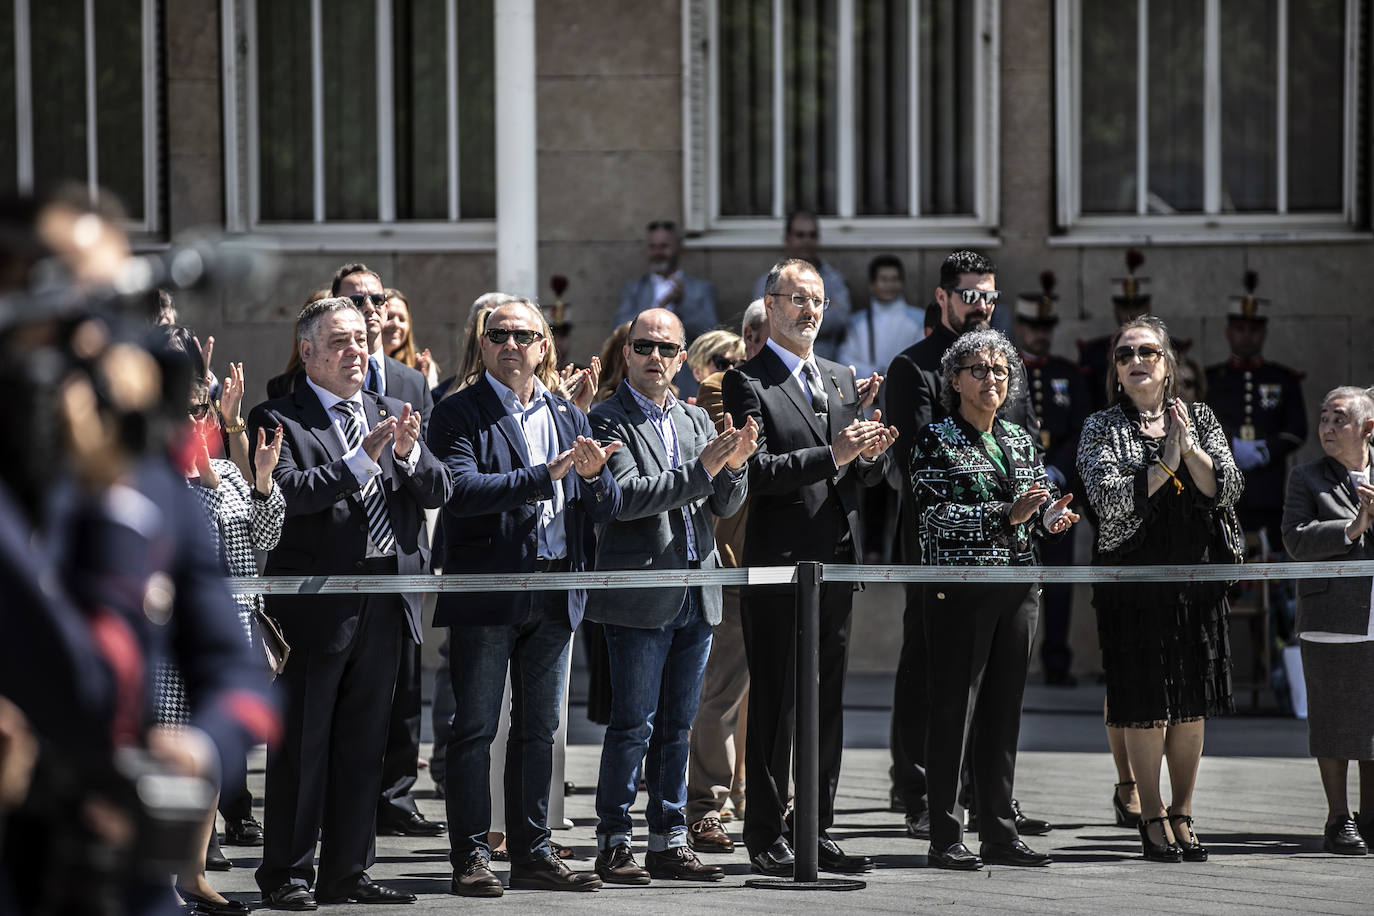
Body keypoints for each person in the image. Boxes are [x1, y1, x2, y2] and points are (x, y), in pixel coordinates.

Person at [249, 297, 451, 909]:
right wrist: (361, 458)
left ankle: (349, 871)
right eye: (338, 341)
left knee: (366, 745)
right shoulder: (278, 415)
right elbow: (289, 494)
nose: (355, 351)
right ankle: (286, 872)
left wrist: (410, 454)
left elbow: (440, 487)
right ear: (306, 351)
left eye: (361, 339)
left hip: (385, 602)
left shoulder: (393, 410)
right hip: (316, 607)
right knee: (303, 746)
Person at [427, 298, 621, 897]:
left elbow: (606, 505)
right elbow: (460, 490)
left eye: (524, 334)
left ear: (545, 347)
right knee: (475, 729)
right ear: (482, 346)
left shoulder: (568, 413)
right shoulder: (457, 412)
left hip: (557, 587)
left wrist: (592, 476)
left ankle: (533, 851)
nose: (512, 343)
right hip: (491, 590)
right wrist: (545, 476)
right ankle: (471, 855)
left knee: (540, 730)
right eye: (499, 334)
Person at [722, 258, 895, 877]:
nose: (810, 310)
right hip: (781, 564)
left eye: (817, 299)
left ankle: (816, 827)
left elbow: (858, 477)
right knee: (775, 701)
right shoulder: (747, 381)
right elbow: (757, 473)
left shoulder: (842, 377)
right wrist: (835, 452)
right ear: (770, 306)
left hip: (837, 561)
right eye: (797, 298)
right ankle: (766, 832)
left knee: (828, 700)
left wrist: (870, 450)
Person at [586, 307, 753, 884]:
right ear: (626, 353)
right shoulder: (607, 418)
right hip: (640, 593)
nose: (654, 357)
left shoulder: (693, 418)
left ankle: (669, 837)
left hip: (697, 590)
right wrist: (707, 471)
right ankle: (612, 839)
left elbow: (724, 505)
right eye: (643, 347)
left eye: (666, 349)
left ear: (683, 359)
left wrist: (734, 467)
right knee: (633, 722)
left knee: (679, 725)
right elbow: (626, 497)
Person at [882, 250, 1045, 839]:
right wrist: (997, 511)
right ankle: (922, 791)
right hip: (939, 554)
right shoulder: (914, 367)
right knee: (933, 675)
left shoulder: (1004, 361)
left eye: (989, 296)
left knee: (999, 689)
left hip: (1010, 558)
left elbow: (1020, 443)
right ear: (943, 298)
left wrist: (1039, 510)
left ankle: (989, 799)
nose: (981, 306)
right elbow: (915, 462)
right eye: (970, 295)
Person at [1076, 315, 1242, 865]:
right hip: (1132, 584)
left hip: (1196, 582)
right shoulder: (1101, 426)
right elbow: (1108, 501)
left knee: (1190, 702)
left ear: (1168, 363)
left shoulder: (1200, 418)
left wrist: (1188, 450)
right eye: (1124, 355)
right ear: (1116, 372)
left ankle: (1183, 812)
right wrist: (1165, 463)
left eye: (1147, 351)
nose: (1136, 360)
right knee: (1145, 703)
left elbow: (1228, 486)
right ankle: (1149, 815)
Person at [911, 328, 1078, 870]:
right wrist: (1005, 516)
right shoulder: (936, 438)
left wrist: (1052, 517)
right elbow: (935, 518)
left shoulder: (1019, 437)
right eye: (979, 370)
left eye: (1001, 371)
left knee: (1004, 713)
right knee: (953, 712)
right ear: (954, 380)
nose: (992, 379)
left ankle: (999, 831)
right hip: (960, 591)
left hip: (1018, 588)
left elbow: (1035, 504)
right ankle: (944, 833)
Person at [326, 264, 445, 843]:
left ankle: (396, 797)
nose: (371, 308)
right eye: (357, 298)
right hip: (340, 567)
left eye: (377, 299)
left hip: (400, 556)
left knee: (403, 688)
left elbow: (432, 472)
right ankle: (341, 809)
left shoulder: (408, 381)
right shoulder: (300, 385)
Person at [685, 299, 768, 853]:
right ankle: (706, 806)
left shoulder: (815, 385)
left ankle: (757, 794)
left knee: (767, 695)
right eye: (760, 331)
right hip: (736, 560)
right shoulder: (724, 387)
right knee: (720, 693)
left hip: (785, 562)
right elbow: (748, 446)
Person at [1281, 386, 1374, 855]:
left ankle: (1372, 814)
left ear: (1368, 428)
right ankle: (1339, 817)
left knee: (1373, 722)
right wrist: (1354, 526)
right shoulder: (1307, 477)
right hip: (1331, 614)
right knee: (1335, 719)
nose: (1327, 428)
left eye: (1339, 419)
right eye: (1323, 419)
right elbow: (1295, 541)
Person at [1013, 273, 1090, 687]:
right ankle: (1015, 661)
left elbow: (1082, 428)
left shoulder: (1067, 373)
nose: (1039, 335)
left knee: (1058, 579)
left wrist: (1058, 467)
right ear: (1021, 328)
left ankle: (1056, 659)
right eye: (1032, 327)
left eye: (1045, 328)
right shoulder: (1005, 370)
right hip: (1017, 486)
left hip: (1058, 484)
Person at [1205, 271, 1307, 552]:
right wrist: (1230, 448)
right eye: (1240, 329)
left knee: (1270, 567)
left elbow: (1297, 429)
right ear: (1228, 332)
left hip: (1268, 491)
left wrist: (1265, 450)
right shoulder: (1212, 379)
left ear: (1263, 333)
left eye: (1253, 330)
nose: (1246, 337)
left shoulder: (1283, 379)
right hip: (1223, 490)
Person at [615, 219, 719, 398]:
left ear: (679, 248)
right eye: (653, 246)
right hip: (643, 384)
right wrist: (661, 305)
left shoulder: (700, 288)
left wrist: (683, 304)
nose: (658, 252)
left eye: (664, 246)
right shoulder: (634, 289)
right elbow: (618, 329)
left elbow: (711, 333)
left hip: (687, 384)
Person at [750, 212, 852, 359]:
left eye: (812, 235)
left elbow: (841, 319)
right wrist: (818, 316)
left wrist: (789, 314)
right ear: (787, 239)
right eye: (800, 235)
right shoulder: (766, 281)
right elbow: (764, 323)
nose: (806, 241)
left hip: (825, 364)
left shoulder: (835, 280)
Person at [837, 254, 924, 381]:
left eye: (894, 279)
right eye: (883, 279)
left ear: (902, 283)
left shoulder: (919, 319)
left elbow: (923, 357)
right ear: (872, 284)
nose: (889, 285)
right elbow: (844, 359)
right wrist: (874, 373)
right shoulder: (857, 321)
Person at [381, 288, 441, 389]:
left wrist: (418, 379)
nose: (396, 324)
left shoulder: (421, 366)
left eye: (402, 319)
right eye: (389, 317)